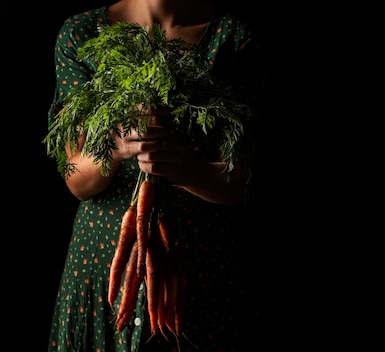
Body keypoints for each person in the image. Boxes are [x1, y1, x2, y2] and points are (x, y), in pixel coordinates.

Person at [45, 0, 266, 351]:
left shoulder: (233, 38)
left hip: (199, 274)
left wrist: (185, 170)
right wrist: (115, 146)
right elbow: (76, 180)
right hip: (99, 268)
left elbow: (243, 182)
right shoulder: (81, 34)